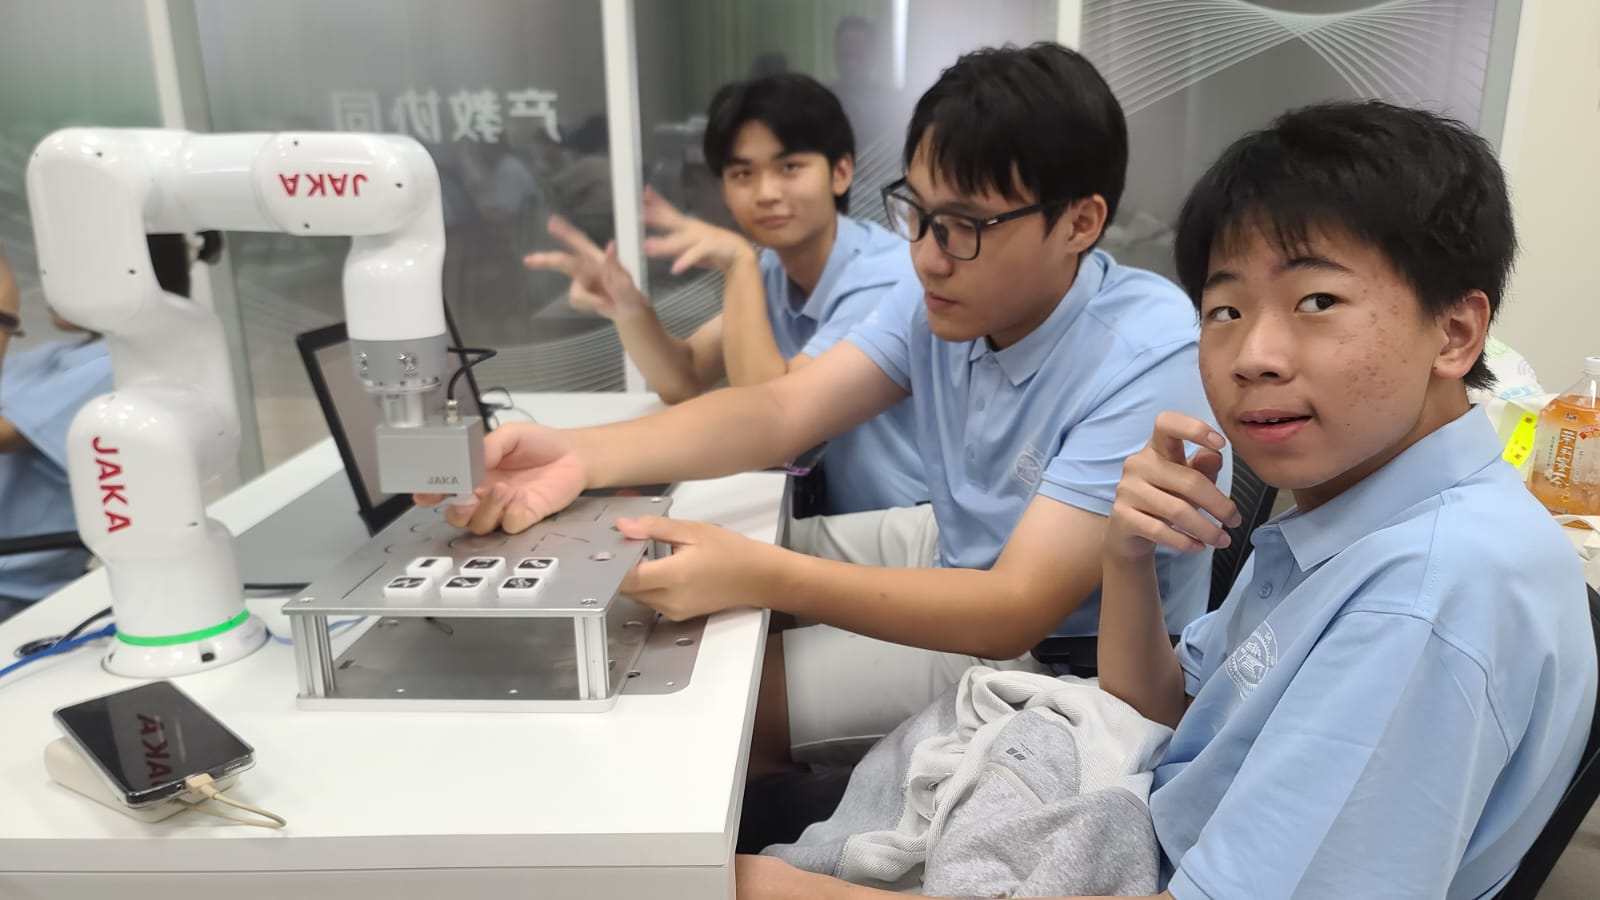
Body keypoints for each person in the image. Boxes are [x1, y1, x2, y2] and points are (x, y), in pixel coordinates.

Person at [735, 100, 1599, 899]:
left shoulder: (1425, 600)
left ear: (1455, 332)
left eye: (1318, 301)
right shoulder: (1344, 508)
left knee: (731, 852)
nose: (1253, 355)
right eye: (1225, 310)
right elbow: (1169, 714)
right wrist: (1126, 554)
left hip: (1145, 856)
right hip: (1142, 815)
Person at [429, 43, 1219, 769]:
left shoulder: (1144, 352)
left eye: (963, 227)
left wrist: (764, 578)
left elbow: (1012, 610)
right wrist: (577, 452)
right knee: (682, 562)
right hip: (957, 548)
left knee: (716, 697)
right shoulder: (942, 296)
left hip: (1063, 657)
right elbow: (778, 410)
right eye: (918, 213)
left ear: (1080, 222)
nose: (926, 255)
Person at [525, 72, 926, 518]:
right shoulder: (774, 267)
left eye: (789, 168)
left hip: (895, 523)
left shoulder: (884, 275)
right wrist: (626, 306)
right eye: (742, 174)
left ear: (841, 172)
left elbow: (772, 423)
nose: (766, 193)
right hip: (816, 511)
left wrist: (739, 263)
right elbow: (684, 377)